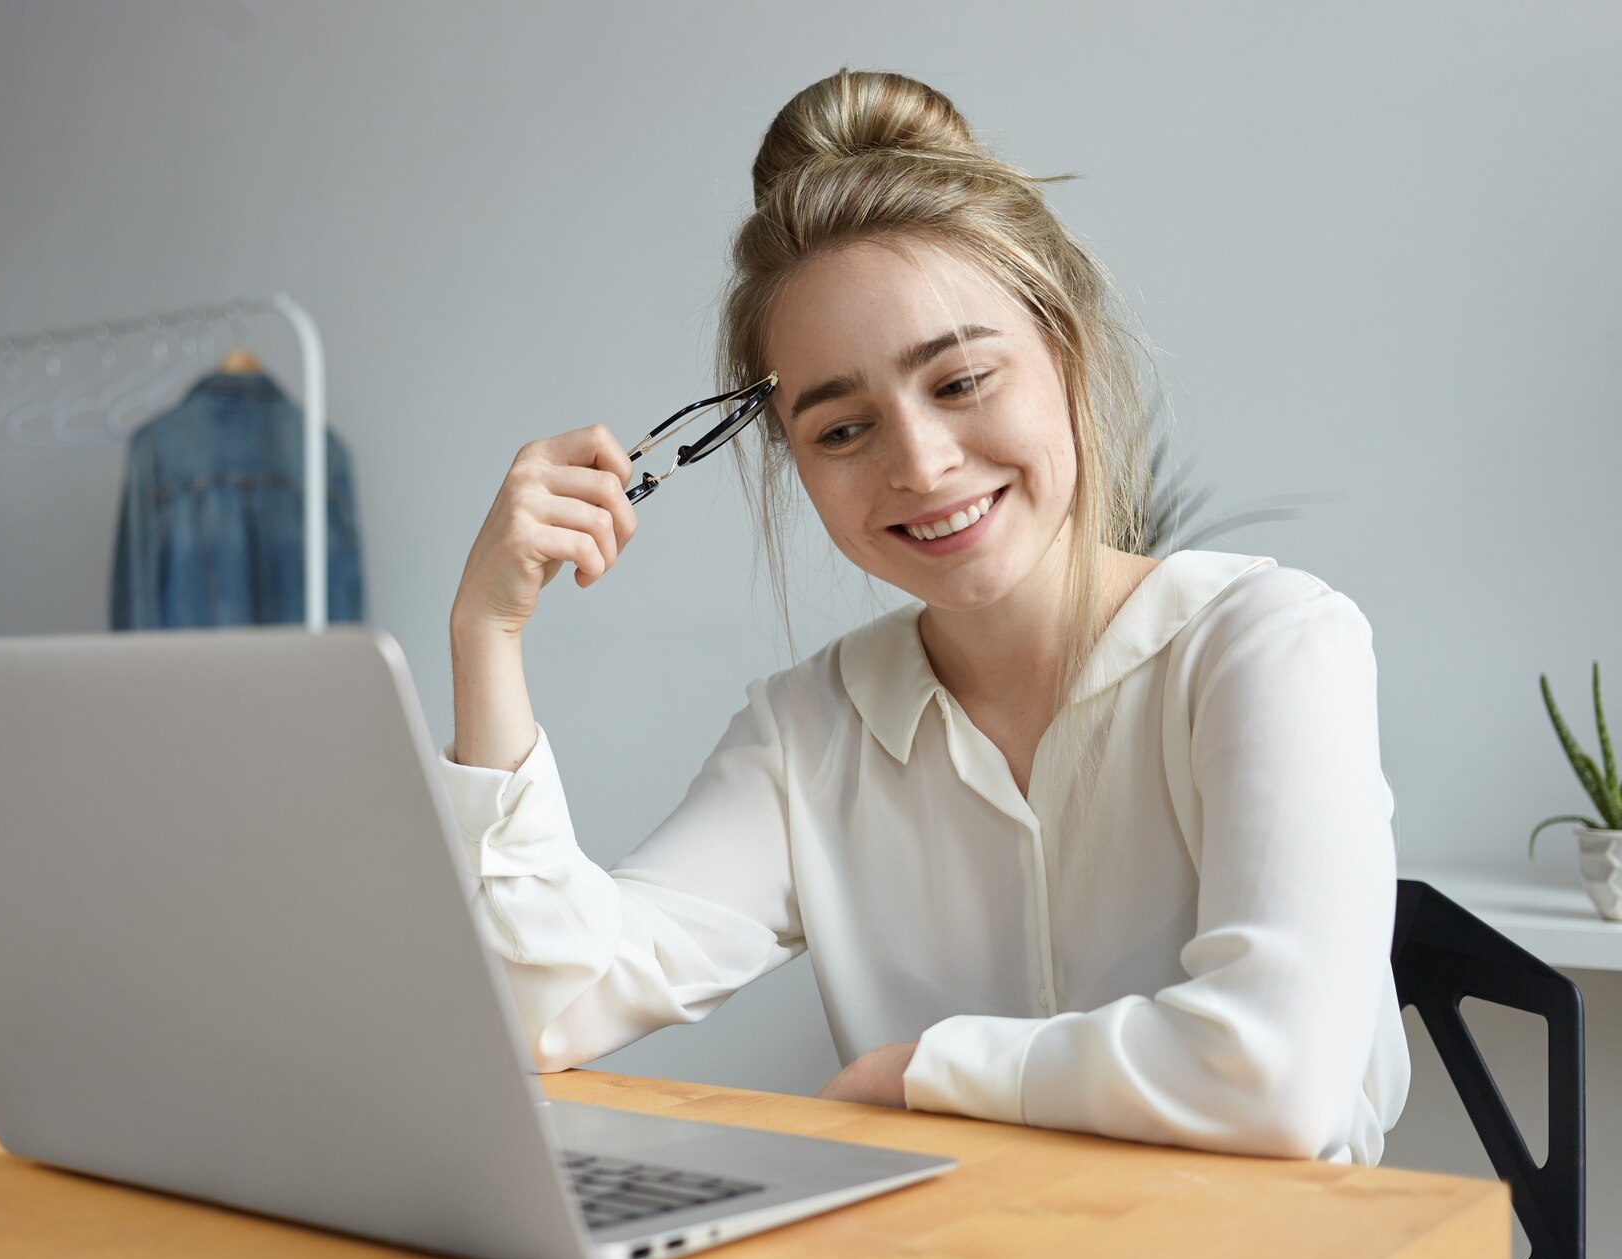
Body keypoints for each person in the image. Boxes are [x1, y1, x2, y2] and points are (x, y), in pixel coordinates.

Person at [441, 69, 1408, 1165]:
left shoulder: (1264, 644)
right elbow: (541, 1011)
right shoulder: (809, 733)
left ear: (1065, 349)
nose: (919, 463)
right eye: (841, 430)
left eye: (958, 382)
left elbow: (1276, 1076)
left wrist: (920, 1073)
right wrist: (486, 637)